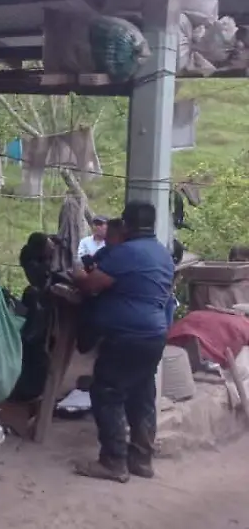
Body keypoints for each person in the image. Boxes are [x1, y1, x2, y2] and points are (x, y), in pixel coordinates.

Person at [71, 202, 174, 483]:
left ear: (126, 226)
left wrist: (77, 274)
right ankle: (141, 460)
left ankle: (113, 462)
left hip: (128, 335)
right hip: (155, 334)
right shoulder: (162, 253)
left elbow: (90, 285)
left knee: (107, 391)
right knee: (141, 394)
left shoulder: (126, 253)